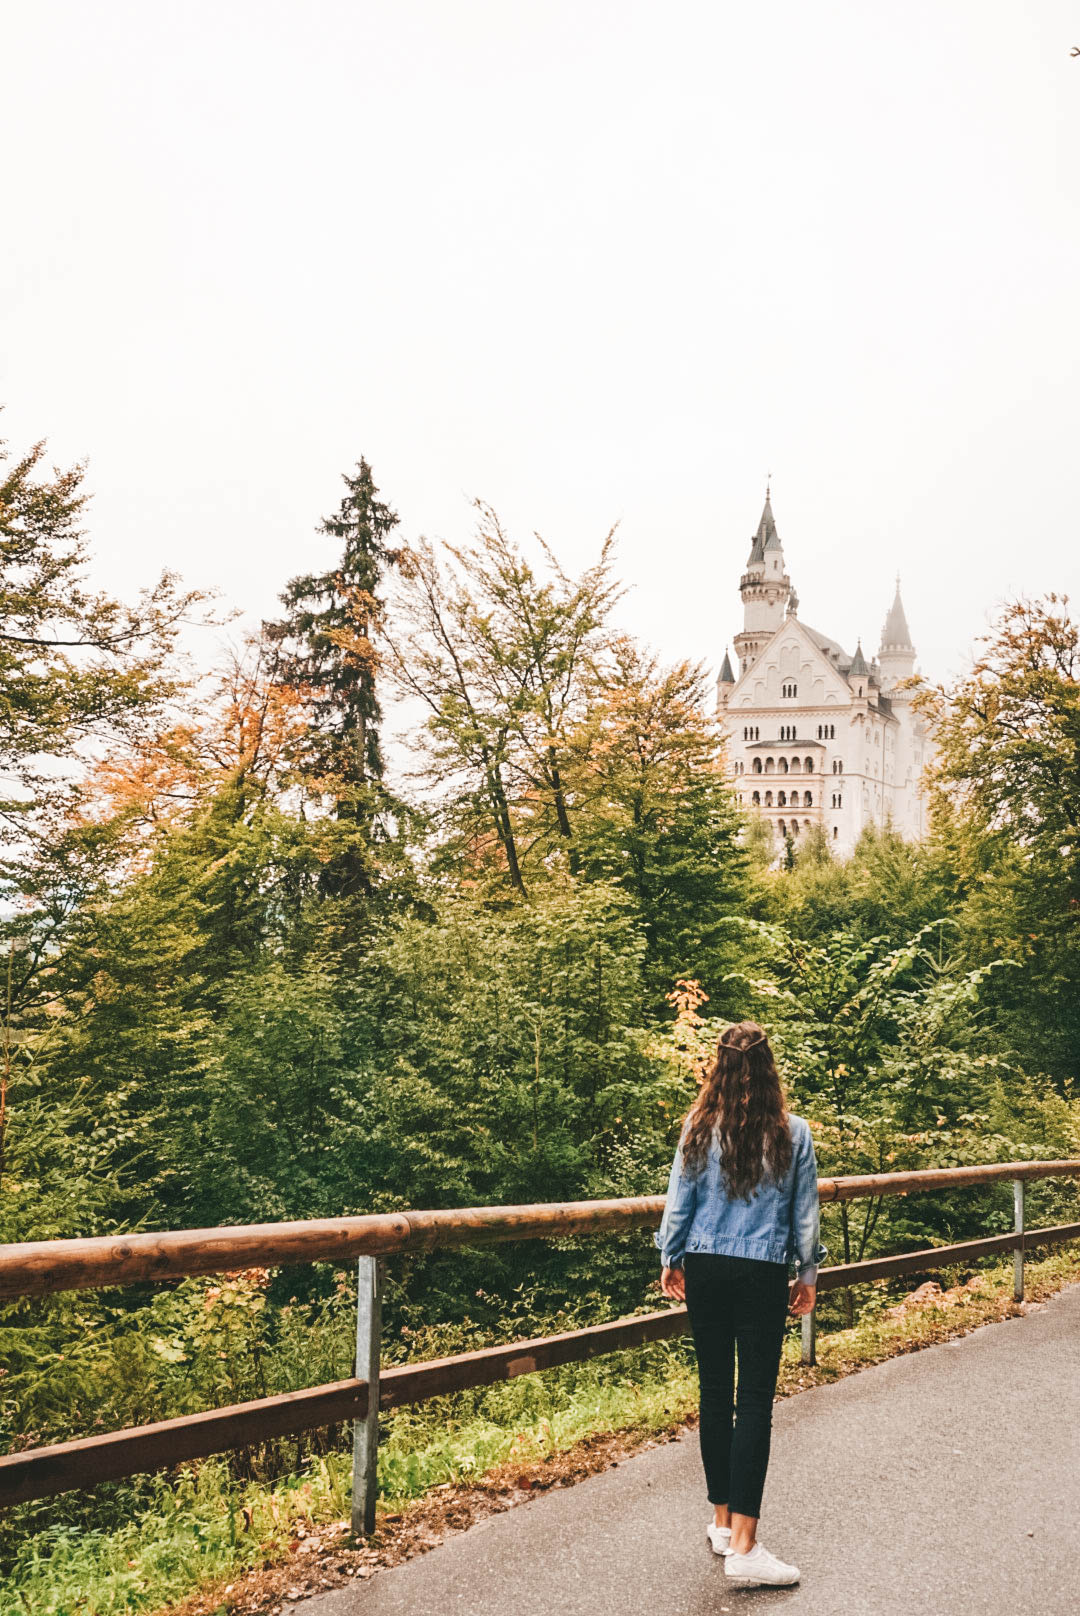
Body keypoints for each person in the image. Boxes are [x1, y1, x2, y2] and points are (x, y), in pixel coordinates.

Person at [654, 1019, 825, 1588]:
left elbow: (679, 1201)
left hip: (705, 1265)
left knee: (713, 1390)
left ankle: (723, 1523)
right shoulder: (793, 1133)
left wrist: (671, 1257)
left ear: (719, 1066)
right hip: (760, 1271)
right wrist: (807, 1271)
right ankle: (746, 1548)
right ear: (769, 1067)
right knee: (753, 1402)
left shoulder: (698, 1127)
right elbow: (804, 1213)